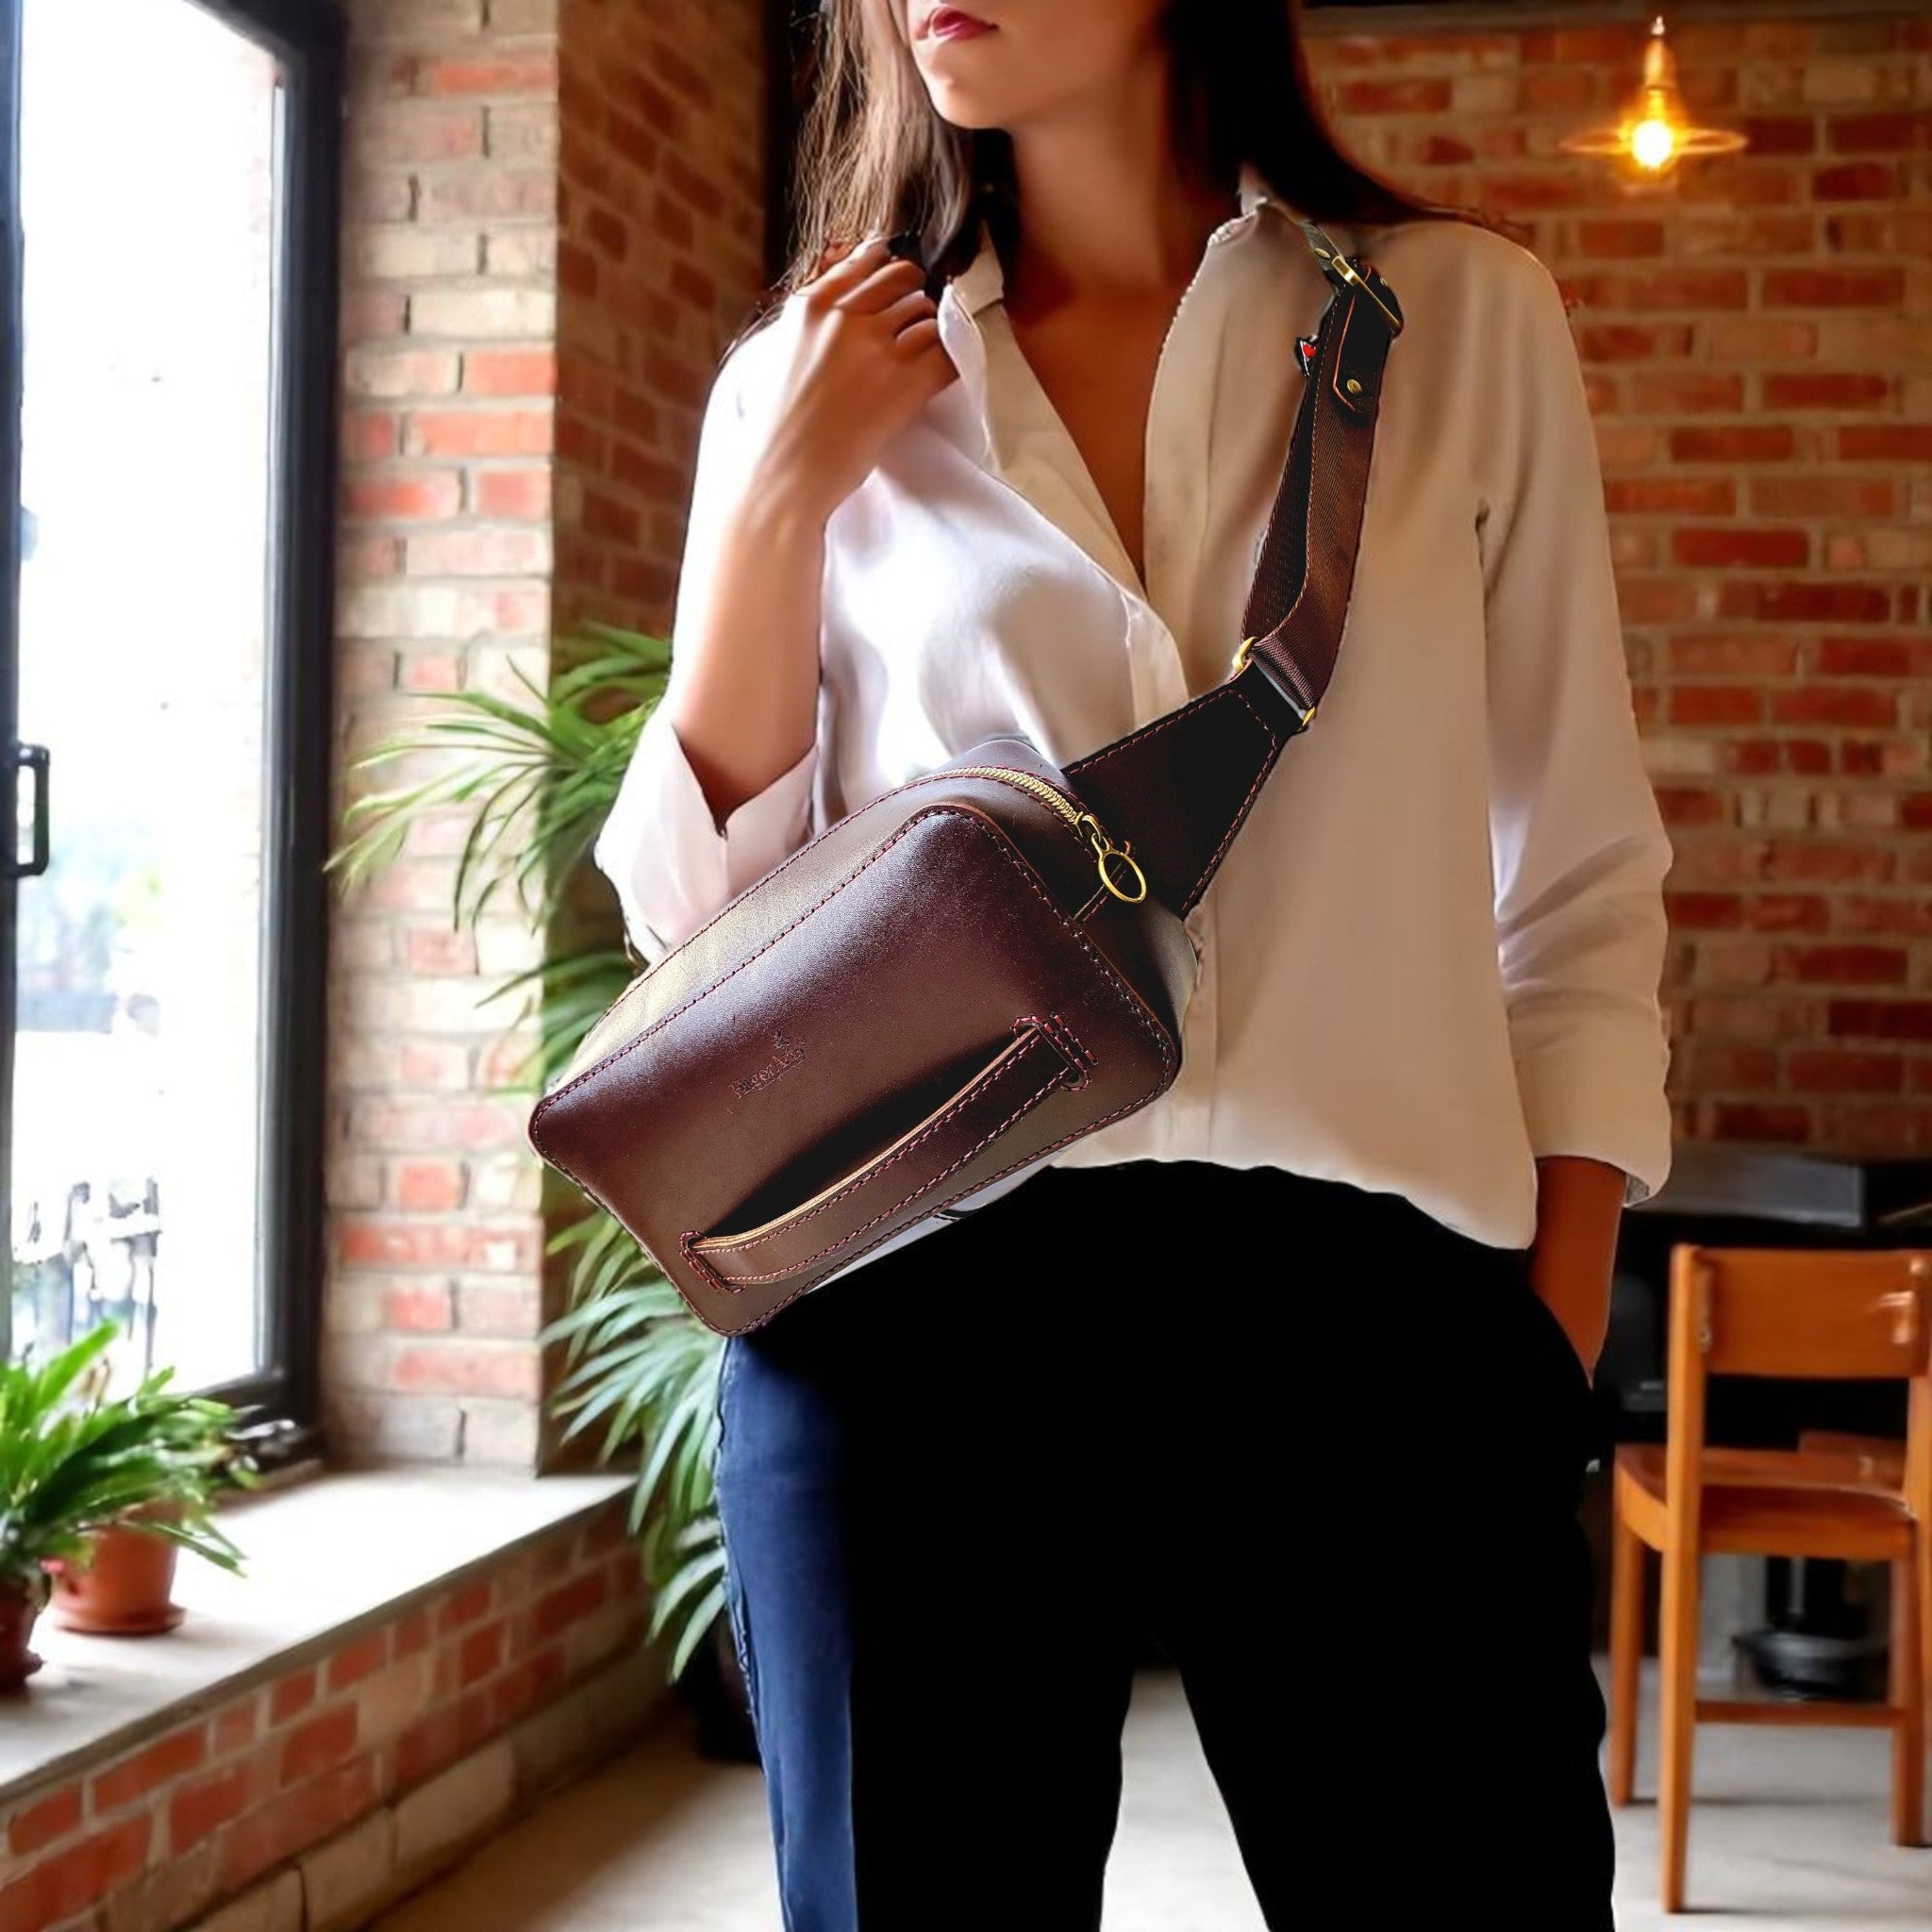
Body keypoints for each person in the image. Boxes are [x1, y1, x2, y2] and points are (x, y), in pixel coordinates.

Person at [595, 2, 1671, 1925]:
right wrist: (774, 501)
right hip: (922, 1312)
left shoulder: (1456, 320)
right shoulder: (824, 376)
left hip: (1377, 1325)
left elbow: (1574, 875)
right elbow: (702, 934)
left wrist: (1538, 1336)